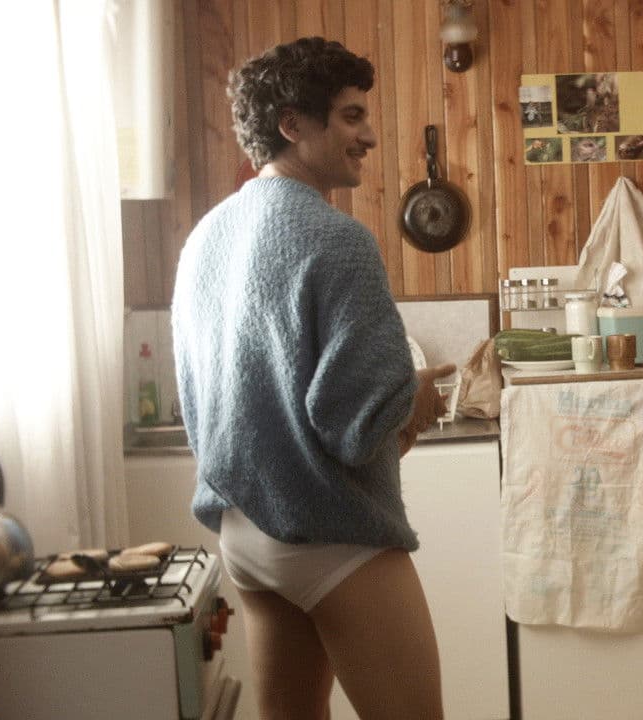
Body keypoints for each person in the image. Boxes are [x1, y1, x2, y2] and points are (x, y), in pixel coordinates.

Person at [172, 37, 452, 720]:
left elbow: (202, 396)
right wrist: (415, 397)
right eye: (352, 116)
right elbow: (356, 426)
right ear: (292, 124)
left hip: (244, 530)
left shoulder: (206, 237)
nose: (370, 136)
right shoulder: (338, 239)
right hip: (328, 531)